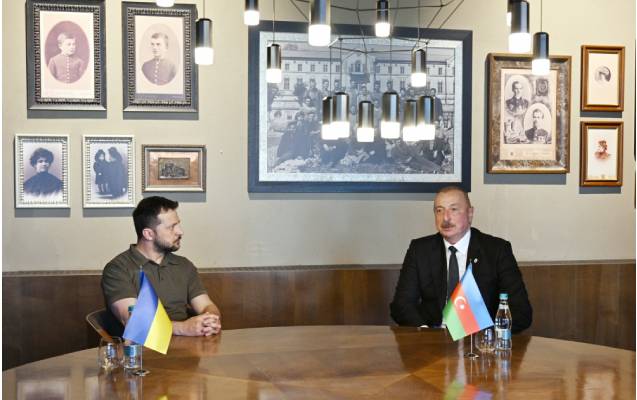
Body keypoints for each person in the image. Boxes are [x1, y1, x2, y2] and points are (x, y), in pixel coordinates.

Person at [390, 186, 532, 333]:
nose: (445, 218)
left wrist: (483, 337)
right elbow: (401, 305)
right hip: (432, 338)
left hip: (481, 340)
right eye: (439, 210)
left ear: (470, 214)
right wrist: (426, 334)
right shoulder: (420, 250)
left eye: (454, 209)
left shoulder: (496, 250)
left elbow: (521, 312)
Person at [101, 196, 222, 337]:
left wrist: (210, 320)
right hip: (142, 347)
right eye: (172, 227)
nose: (180, 231)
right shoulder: (117, 269)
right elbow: (134, 321)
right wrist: (182, 328)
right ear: (148, 234)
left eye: (178, 224)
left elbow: (206, 305)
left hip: (190, 344)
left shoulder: (184, 265)